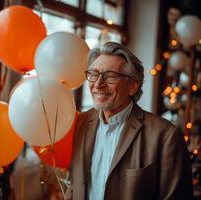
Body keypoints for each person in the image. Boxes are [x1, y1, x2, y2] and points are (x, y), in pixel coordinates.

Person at [67, 42, 193, 200]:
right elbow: (75, 185)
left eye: (110, 76)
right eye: (93, 74)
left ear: (133, 86)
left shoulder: (165, 136)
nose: (98, 84)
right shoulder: (80, 122)